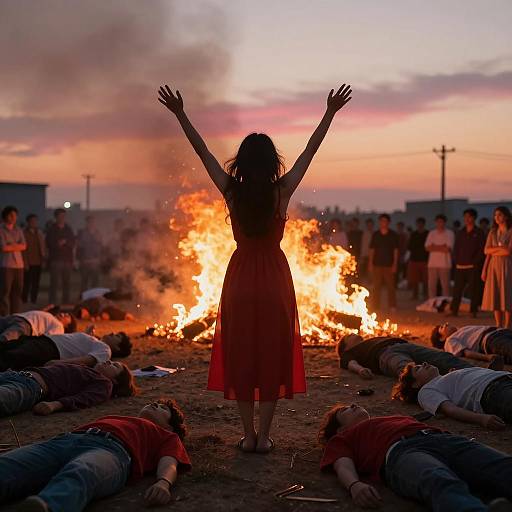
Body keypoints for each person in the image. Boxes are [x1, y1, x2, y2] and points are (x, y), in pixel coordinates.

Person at [159, 82, 352, 453]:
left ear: (242, 162)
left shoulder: (230, 190)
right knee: (271, 353)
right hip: (274, 279)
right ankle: (264, 437)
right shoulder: (282, 191)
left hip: (241, 276)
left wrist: (180, 114)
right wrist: (329, 112)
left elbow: (203, 153)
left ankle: (247, 436)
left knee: (243, 352)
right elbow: (310, 152)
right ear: (272, 162)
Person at [0, 399, 191, 511]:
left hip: (113, 451)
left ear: (169, 425)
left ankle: (47, 506)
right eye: (154, 402)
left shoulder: (167, 435)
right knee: (9, 465)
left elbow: (170, 461)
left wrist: (163, 482)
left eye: (162, 408)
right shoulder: (118, 418)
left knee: (83, 471)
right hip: (65, 441)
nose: (154, 404)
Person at [318, 403, 512, 511]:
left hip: (443, 440)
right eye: (345, 410)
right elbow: (342, 463)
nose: (353, 404)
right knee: (438, 480)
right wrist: (354, 485)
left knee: (501, 466)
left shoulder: (391, 418)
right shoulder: (343, 437)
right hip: (402, 452)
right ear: (341, 428)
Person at [393, 363, 512, 429]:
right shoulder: (426, 391)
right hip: (491, 391)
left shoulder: (444, 379)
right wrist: (481, 419)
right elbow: (450, 409)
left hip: (504, 378)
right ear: (415, 384)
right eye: (418, 369)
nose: (424, 363)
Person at [0, 360, 135, 418]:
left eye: (114, 366)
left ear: (115, 380)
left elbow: (84, 398)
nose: (109, 362)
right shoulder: (88, 370)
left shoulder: (105, 384)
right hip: (16, 375)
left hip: (30, 387)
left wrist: (55, 405)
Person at [337, 333, 485, 381]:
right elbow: (350, 363)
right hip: (385, 354)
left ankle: (481, 373)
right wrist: (360, 370)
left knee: (443, 357)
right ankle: (441, 385)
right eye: (348, 336)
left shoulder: (371, 339)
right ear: (346, 346)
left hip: (405, 346)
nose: (353, 333)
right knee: (410, 370)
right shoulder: (349, 352)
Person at [0, 330, 131, 371]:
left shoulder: (105, 349)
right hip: (43, 341)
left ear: (118, 348)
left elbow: (88, 360)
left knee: (10, 357)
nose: (113, 333)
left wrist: (58, 363)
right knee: (6, 347)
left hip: (50, 349)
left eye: (117, 336)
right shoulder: (96, 341)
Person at [449, 209, 486, 318]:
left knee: (474, 289)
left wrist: (475, 262)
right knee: (457, 289)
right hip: (460, 266)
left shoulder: (479, 232)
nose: (467, 219)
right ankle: (454, 310)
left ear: (474, 218)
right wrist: (456, 260)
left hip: (473, 266)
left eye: (469, 216)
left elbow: (481, 249)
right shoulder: (461, 232)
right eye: (465, 216)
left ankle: (473, 311)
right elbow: (456, 248)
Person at [482, 206, 512, 328]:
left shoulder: (510, 231)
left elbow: (508, 252)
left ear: (506, 216)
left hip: (507, 266)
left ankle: (508, 325)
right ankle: (498, 324)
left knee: (507, 294)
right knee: (495, 295)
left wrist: (494, 250)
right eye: (495, 215)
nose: (497, 217)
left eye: (499, 214)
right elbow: (486, 251)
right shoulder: (492, 232)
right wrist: (484, 269)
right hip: (493, 266)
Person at [432, 323, 512, 364]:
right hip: (491, 340)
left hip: (501, 332)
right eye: (442, 327)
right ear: (442, 338)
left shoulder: (460, 331)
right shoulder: (449, 341)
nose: (446, 323)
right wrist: (487, 357)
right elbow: (466, 353)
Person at [368, 214, 399, 311]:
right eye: (381, 221)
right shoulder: (376, 234)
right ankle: (376, 306)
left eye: (385, 221)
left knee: (391, 286)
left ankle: (392, 306)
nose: (383, 223)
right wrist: (370, 263)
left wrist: (394, 264)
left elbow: (395, 250)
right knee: (376, 286)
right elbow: (372, 249)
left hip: (389, 265)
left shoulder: (393, 235)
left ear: (388, 223)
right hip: (377, 264)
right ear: (379, 222)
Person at [0, 206, 26, 316]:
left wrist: (11, 245)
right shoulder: (1, 230)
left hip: (19, 265)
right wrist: (16, 245)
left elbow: (24, 246)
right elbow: (3, 248)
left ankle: (16, 314)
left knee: (17, 291)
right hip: (6, 264)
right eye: (11, 215)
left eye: (15, 215)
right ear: (6, 216)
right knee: (5, 291)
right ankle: (4, 315)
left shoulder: (18, 230)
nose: (14, 218)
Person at [46, 208, 75, 305]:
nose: (62, 218)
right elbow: (48, 243)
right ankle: (52, 302)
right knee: (54, 282)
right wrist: (57, 244)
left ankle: (66, 301)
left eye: (64, 216)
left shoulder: (68, 229)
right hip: (56, 259)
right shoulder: (52, 229)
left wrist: (66, 242)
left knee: (67, 282)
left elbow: (73, 242)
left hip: (67, 259)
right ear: (56, 217)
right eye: (60, 216)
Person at [0, 310, 76, 343]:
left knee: (5, 338)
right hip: (17, 317)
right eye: (65, 313)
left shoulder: (59, 327)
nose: (63, 314)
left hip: (26, 325)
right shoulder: (51, 317)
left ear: (67, 326)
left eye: (66, 316)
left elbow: (49, 338)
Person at [425, 214, 454, 298]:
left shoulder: (450, 233)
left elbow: (448, 249)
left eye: (441, 222)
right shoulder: (432, 233)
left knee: (445, 287)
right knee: (431, 286)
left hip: (445, 264)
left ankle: (445, 304)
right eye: (438, 222)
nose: (439, 224)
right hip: (432, 264)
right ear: (435, 222)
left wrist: (434, 246)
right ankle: (432, 303)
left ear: (444, 223)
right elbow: (427, 247)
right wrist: (442, 246)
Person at [22, 214, 46, 304]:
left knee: (36, 283)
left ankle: (33, 300)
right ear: (28, 222)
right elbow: (23, 250)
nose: (34, 223)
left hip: (37, 262)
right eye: (32, 221)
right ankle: (24, 299)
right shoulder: (24, 233)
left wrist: (43, 259)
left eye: (35, 221)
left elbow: (42, 247)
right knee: (27, 283)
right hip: (28, 261)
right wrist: (25, 262)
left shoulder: (39, 233)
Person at [77, 215, 103, 293]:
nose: (92, 223)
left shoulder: (98, 233)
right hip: (85, 261)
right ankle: (83, 300)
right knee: (84, 283)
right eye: (90, 222)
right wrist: (79, 259)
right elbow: (79, 247)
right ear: (87, 223)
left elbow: (101, 246)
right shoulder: (82, 233)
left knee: (95, 283)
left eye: (93, 222)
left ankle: (94, 299)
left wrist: (99, 258)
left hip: (95, 262)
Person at [407, 217, 429, 300]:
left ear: (424, 224)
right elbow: (409, 246)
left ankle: (425, 295)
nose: (419, 225)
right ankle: (415, 295)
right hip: (414, 259)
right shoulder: (413, 234)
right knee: (414, 279)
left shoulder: (427, 234)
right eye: (418, 224)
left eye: (421, 224)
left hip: (424, 260)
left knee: (425, 279)